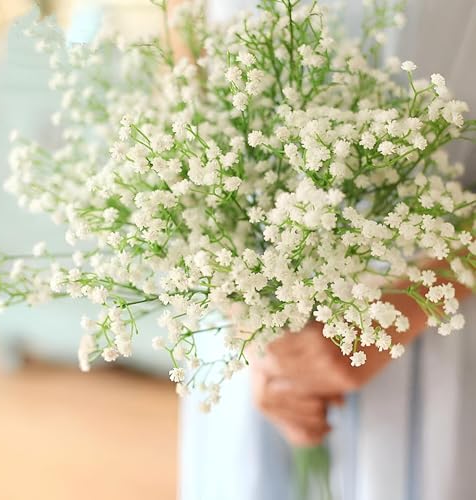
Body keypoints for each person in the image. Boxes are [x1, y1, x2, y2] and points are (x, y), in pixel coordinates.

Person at [175, 1, 476, 499]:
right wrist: (257, 322)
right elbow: (185, 100)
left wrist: (398, 312)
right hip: (253, 344)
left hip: (439, 329)